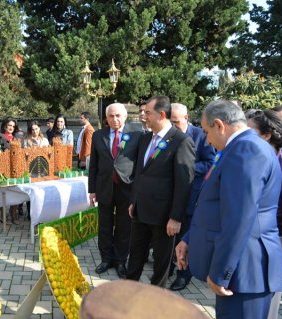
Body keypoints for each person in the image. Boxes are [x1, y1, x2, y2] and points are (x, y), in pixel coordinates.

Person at [176, 100, 282, 319]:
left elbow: (239, 217)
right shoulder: (239, 147)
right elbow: (217, 205)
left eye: (206, 131)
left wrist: (220, 273)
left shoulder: (247, 149)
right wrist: (189, 238)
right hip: (240, 270)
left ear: (219, 125)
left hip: (245, 272)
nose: (206, 139)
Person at [125, 95, 195, 287]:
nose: (143, 116)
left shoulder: (181, 141)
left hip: (164, 218)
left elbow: (184, 183)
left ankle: (156, 301)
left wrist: (176, 217)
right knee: (135, 257)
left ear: (162, 114)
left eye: (147, 112)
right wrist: (134, 200)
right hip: (141, 211)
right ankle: (128, 293)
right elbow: (140, 172)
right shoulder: (145, 138)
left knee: (161, 264)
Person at [88, 103, 143, 279]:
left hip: (126, 188)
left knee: (124, 226)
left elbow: (139, 164)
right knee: (104, 225)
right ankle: (106, 259)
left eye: (118, 115)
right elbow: (94, 165)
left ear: (125, 116)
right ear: (106, 118)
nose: (115, 119)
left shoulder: (137, 134)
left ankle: (120, 260)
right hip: (104, 187)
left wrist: (136, 190)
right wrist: (92, 190)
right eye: (111, 116)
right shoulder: (98, 135)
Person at [168, 103, 216, 291]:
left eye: (176, 122)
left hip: (190, 196)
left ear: (186, 118)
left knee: (184, 237)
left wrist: (186, 169)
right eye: (170, 122)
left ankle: (183, 275)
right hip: (169, 196)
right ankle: (169, 266)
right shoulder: (169, 136)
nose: (173, 126)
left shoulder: (202, 136)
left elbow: (211, 163)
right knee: (170, 235)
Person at [246, 109, 282, 319]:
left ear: (267, 135)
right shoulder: (247, 162)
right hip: (245, 251)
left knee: (266, 310)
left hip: (274, 247)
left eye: (249, 130)